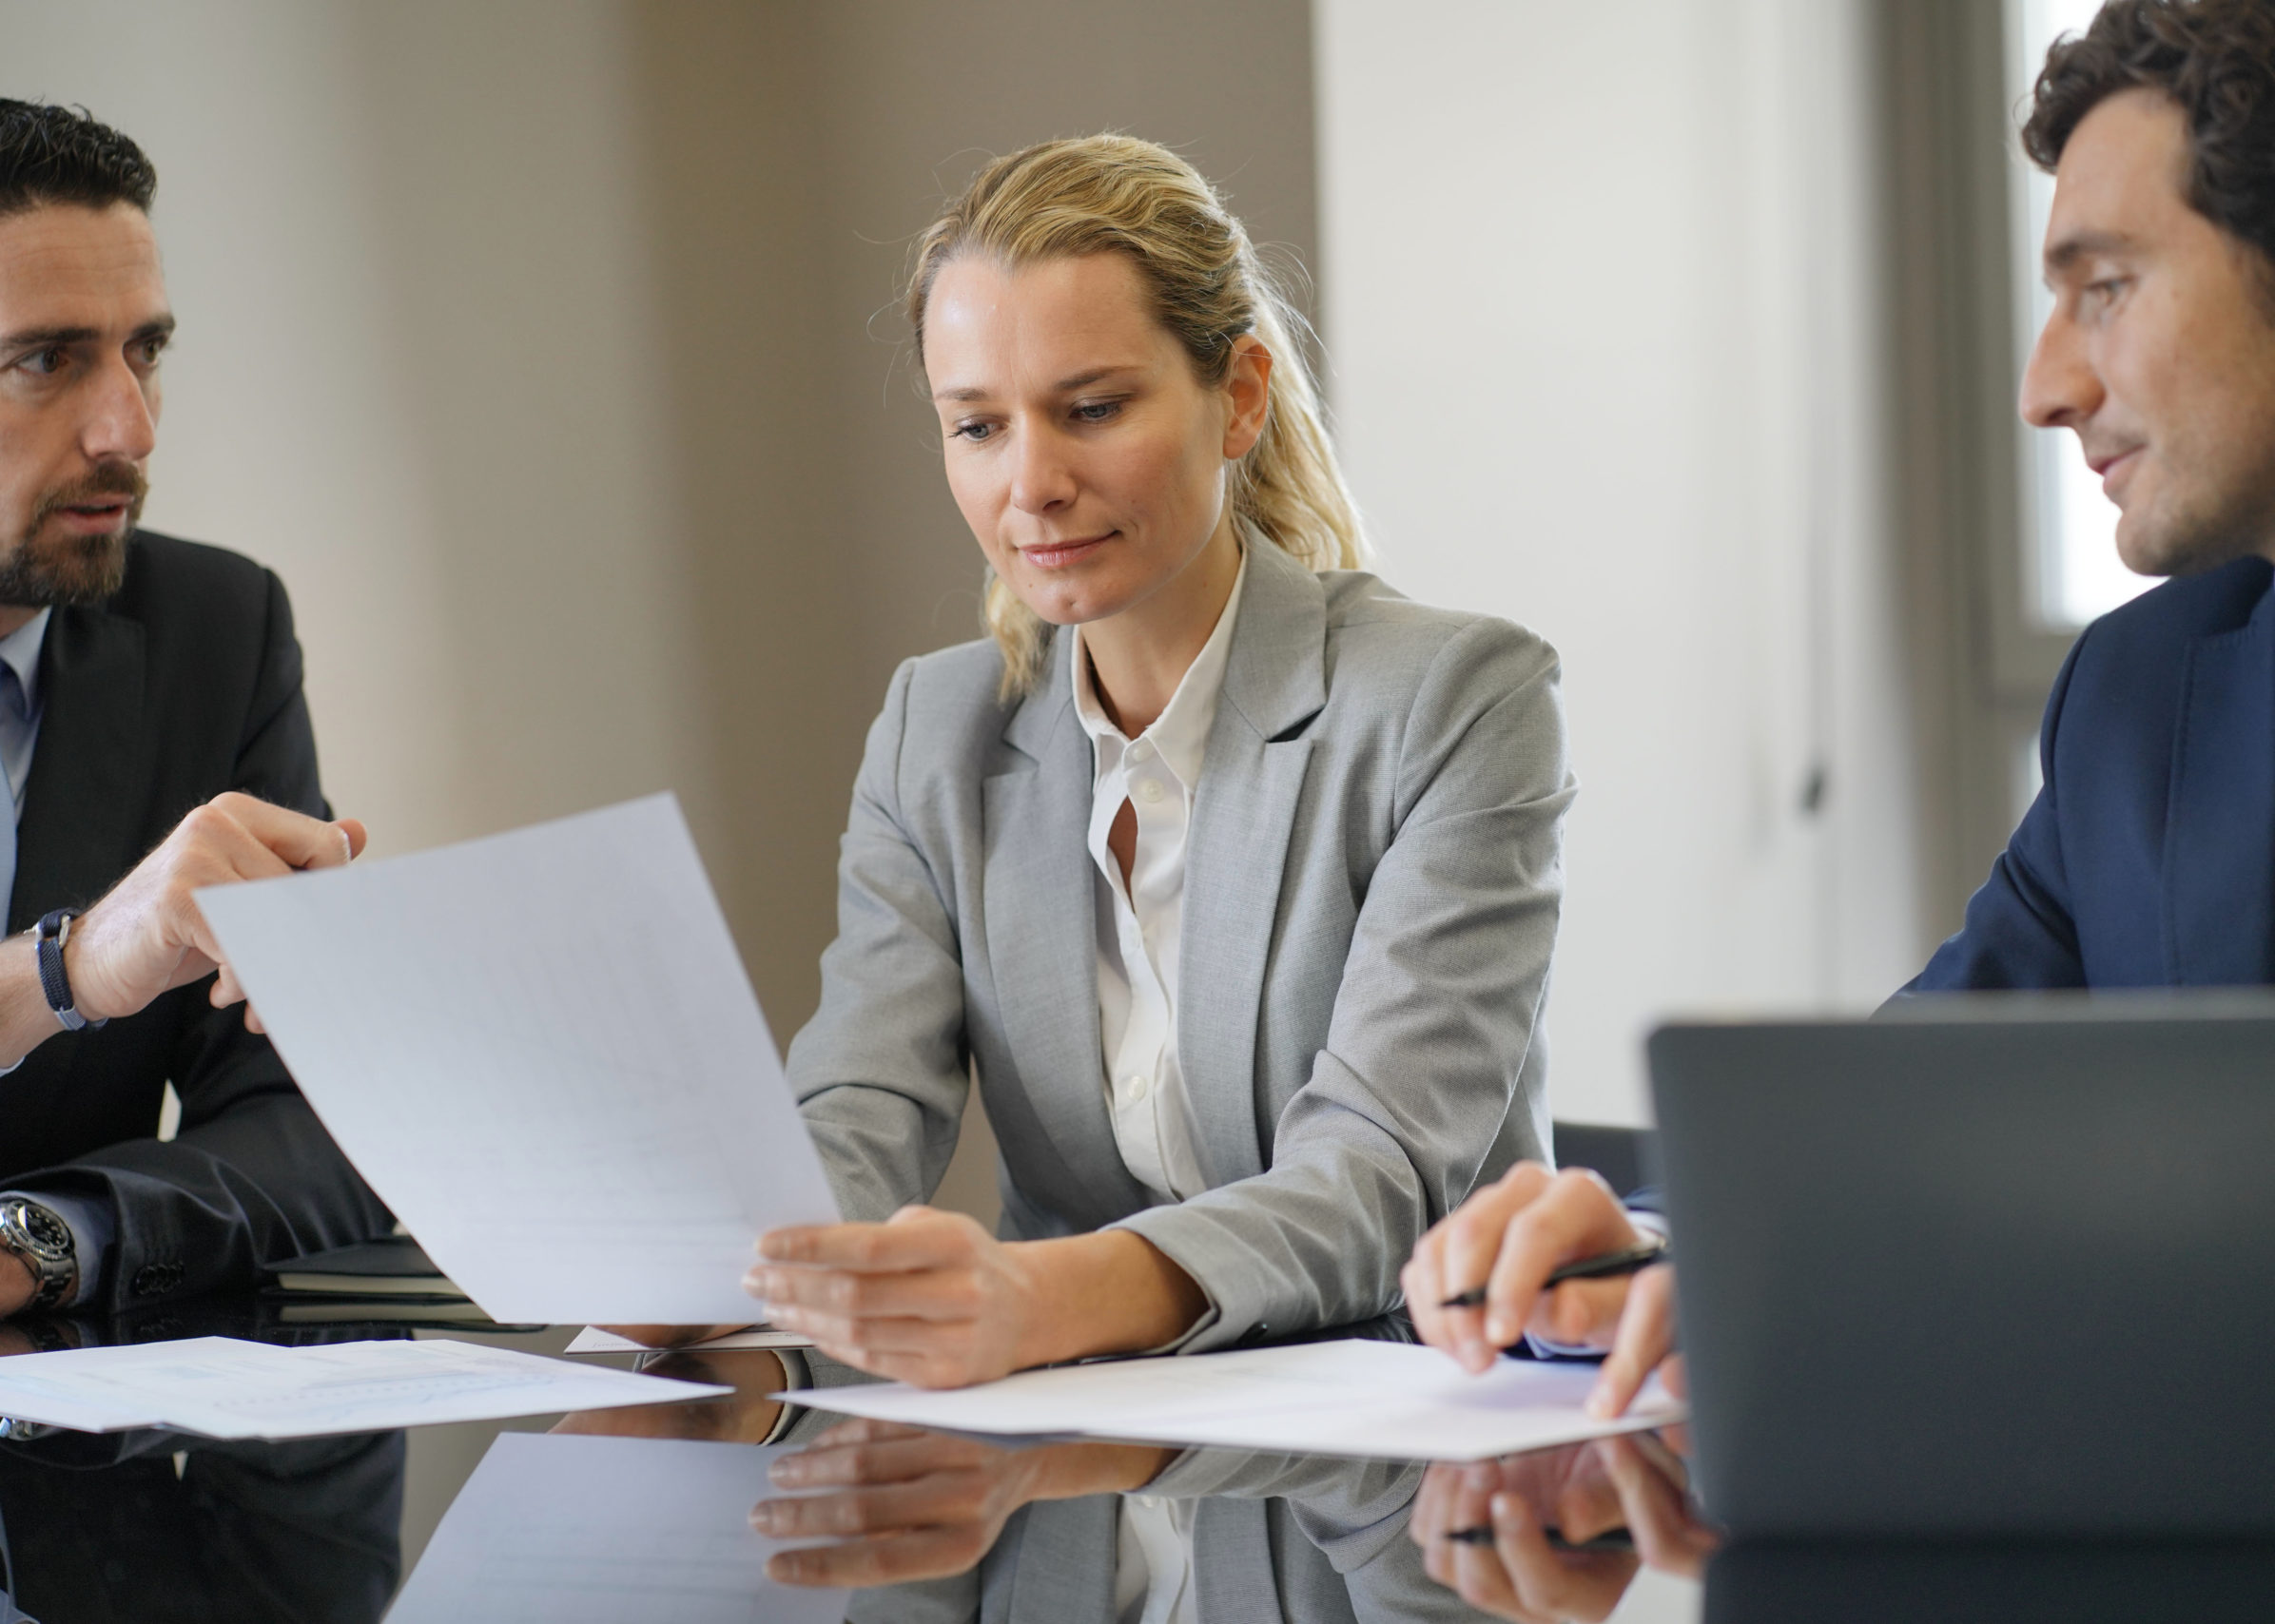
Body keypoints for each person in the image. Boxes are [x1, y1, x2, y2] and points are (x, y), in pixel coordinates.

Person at [1404, 0, 2275, 1412]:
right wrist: (1670, 1252)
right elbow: (1915, 1112)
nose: (2044, 389)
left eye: (2104, 286)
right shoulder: (2143, 697)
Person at [729, 132, 1572, 1395]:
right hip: (1076, 1471)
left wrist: (1034, 1295)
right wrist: (718, 1280)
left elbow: (1379, 1176)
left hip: (1391, 1452)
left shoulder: (1454, 702)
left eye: (1093, 410)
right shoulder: (935, 730)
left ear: (1238, 396)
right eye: (976, 426)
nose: (1033, 485)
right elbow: (858, 1109)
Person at [0, 94, 388, 1338]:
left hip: (42, 1458)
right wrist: (64, 972)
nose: (127, 431)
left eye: (144, 351)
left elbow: (316, 1122)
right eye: (48, 361)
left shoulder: (216, 628)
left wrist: (23, 1243)